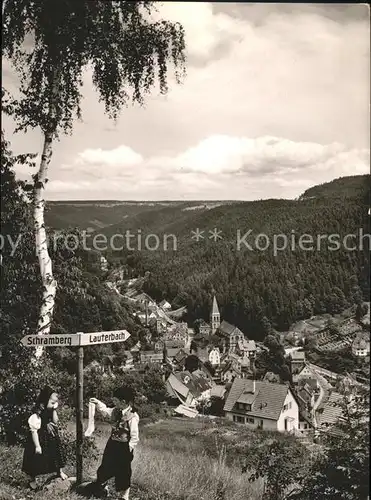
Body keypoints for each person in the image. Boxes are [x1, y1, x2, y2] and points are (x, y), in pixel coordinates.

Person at [89, 386, 139, 500]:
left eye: (116, 401)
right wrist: (97, 403)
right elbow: (106, 410)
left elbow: (135, 436)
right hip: (112, 445)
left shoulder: (132, 416)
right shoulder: (116, 411)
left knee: (124, 472)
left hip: (124, 447)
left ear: (123, 401)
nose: (114, 403)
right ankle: (103, 487)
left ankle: (124, 496)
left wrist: (128, 450)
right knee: (105, 467)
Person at [22, 386, 67, 489]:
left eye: (55, 403)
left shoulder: (51, 409)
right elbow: (34, 431)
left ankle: (59, 471)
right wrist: (37, 446)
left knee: (56, 452)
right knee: (35, 458)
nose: (53, 405)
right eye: (52, 403)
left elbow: (55, 421)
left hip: (49, 436)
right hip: (38, 438)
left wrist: (54, 410)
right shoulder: (36, 414)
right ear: (44, 401)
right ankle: (32, 479)